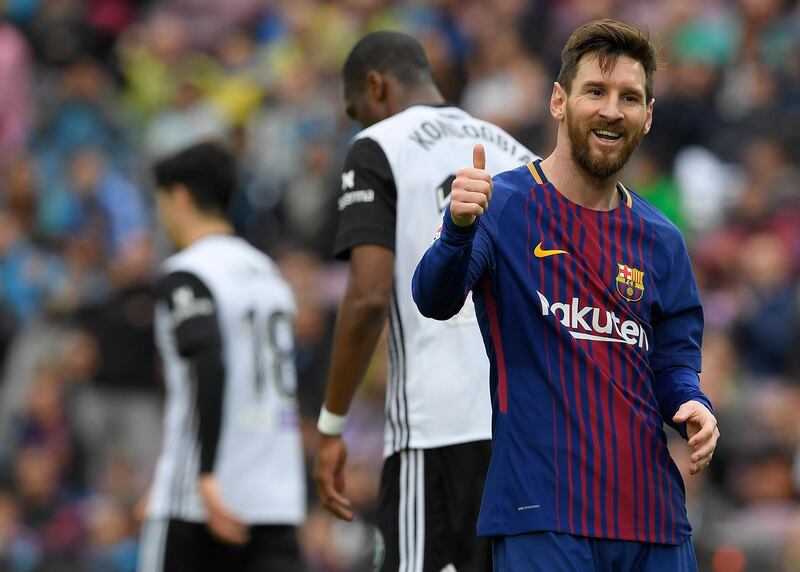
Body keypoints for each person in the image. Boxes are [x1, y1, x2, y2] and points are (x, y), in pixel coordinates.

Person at [412, 19, 720, 572]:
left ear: (648, 116)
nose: (611, 110)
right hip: (543, 512)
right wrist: (457, 229)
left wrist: (692, 405)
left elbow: (674, 363)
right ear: (559, 101)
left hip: (653, 518)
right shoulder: (501, 205)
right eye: (595, 92)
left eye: (629, 97)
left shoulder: (662, 239)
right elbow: (434, 297)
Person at [312, 31, 536, 572]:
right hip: (524, 434)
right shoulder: (515, 151)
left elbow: (367, 297)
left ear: (374, 85)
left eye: (356, 109)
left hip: (435, 426)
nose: (359, 121)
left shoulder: (378, 145)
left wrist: (331, 426)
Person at [138, 142, 306, 572]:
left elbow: (207, 363)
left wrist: (206, 475)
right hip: (277, 499)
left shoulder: (188, 273)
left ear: (179, 197)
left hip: (201, 505)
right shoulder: (269, 275)